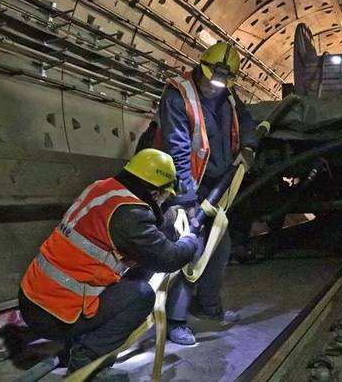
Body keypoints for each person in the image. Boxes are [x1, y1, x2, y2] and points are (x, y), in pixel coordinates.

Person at [18, 149, 204, 381]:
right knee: (142, 295)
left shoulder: (102, 188)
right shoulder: (131, 214)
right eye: (164, 197)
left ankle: (78, 341)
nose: (163, 202)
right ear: (154, 192)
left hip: (32, 298)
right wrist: (190, 239)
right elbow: (168, 259)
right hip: (55, 316)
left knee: (129, 274)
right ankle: (85, 361)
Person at [155, 41, 258, 345]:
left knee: (220, 248)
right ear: (201, 69)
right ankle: (175, 322)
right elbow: (178, 150)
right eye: (211, 81)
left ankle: (208, 305)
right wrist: (187, 201)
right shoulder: (179, 94)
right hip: (182, 186)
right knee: (190, 248)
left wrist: (249, 146)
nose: (214, 88)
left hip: (215, 187)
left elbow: (246, 119)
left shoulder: (228, 94)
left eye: (221, 84)